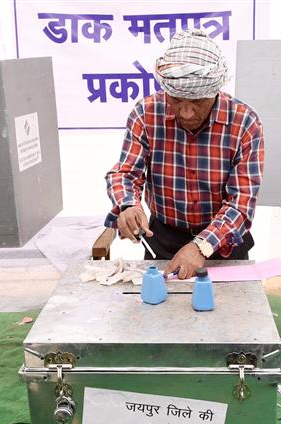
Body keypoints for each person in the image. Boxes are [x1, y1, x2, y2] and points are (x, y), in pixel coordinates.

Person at [104, 29, 264, 280]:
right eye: (176, 101)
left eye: (198, 102)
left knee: (229, 313)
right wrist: (128, 204)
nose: (186, 113)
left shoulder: (244, 122)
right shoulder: (146, 114)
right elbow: (125, 173)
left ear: (215, 91)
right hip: (162, 241)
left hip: (223, 244)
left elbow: (242, 202)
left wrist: (201, 245)